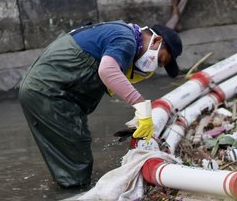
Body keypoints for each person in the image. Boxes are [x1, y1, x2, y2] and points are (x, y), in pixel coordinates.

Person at [19, 21, 182, 188]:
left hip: (44, 92)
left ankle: (67, 192)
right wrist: (141, 106)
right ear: (156, 41)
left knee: (68, 158)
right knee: (77, 164)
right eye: (160, 59)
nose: (155, 66)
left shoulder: (121, 34)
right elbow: (108, 71)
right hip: (49, 94)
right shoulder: (126, 40)